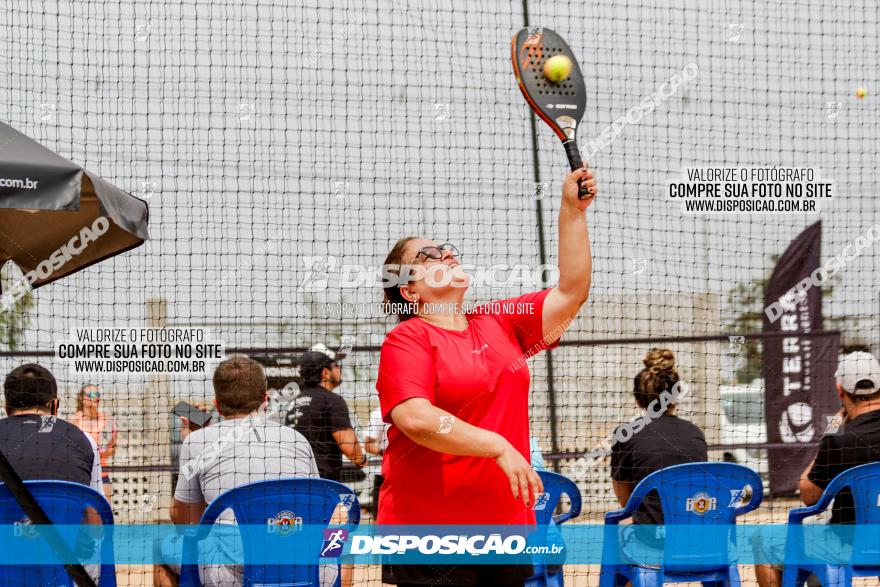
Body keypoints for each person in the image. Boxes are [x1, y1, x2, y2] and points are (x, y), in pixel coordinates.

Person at [376, 164, 597, 586]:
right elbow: (417, 419)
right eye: (428, 256)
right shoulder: (408, 339)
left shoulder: (498, 321)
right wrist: (497, 446)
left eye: (445, 247)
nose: (446, 253)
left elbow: (571, 290)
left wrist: (572, 211)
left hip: (504, 528)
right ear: (409, 290)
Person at [154, 355, 328, 587]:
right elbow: (316, 508)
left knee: (159, 547)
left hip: (234, 573)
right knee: (342, 542)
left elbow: (188, 523)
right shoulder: (296, 440)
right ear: (265, 400)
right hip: (300, 565)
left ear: (216, 404)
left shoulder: (198, 442)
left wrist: (193, 442)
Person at [755, 351, 880, 587]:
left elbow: (809, 497)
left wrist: (832, 430)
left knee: (764, 541)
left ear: (840, 390)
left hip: (847, 543)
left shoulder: (838, 440)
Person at [1, 364, 105, 582]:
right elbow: (96, 524)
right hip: (66, 572)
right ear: (54, 405)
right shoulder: (84, 441)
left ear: (6, 406)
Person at [609, 349, 707, 566]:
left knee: (615, 546)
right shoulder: (695, 434)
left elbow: (626, 502)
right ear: (676, 395)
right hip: (699, 539)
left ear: (638, 399)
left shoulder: (626, 435)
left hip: (652, 542)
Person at [282, 344, 368, 481]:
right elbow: (350, 449)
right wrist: (363, 460)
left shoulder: (293, 404)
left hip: (296, 479)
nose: (339, 368)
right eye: (335, 364)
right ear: (325, 372)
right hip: (324, 483)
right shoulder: (332, 401)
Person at [73, 383, 118, 499]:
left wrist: (100, 452)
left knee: (105, 514)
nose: (96, 397)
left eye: (98, 394)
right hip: (80, 475)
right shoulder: (74, 421)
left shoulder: (107, 420)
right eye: (92, 394)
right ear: (82, 399)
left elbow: (113, 450)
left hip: (102, 473)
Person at [364, 406, 389, 516]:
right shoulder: (379, 412)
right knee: (378, 516)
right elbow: (368, 445)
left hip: (413, 472)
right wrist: (387, 453)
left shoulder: (416, 408)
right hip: (383, 474)